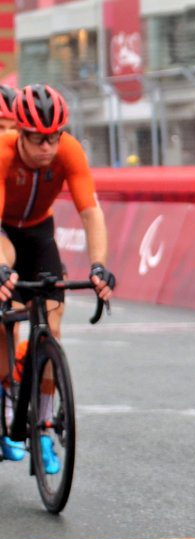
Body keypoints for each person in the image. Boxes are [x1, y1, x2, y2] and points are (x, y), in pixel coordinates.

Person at [0, 84, 116, 472]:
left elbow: (90, 212)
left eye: (54, 137)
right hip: (3, 233)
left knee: (52, 321)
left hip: (39, 233)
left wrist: (98, 266)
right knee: (5, 316)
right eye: (37, 140)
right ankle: (6, 398)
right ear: (20, 132)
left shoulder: (69, 151)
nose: (47, 147)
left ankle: (45, 425)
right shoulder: (2, 153)